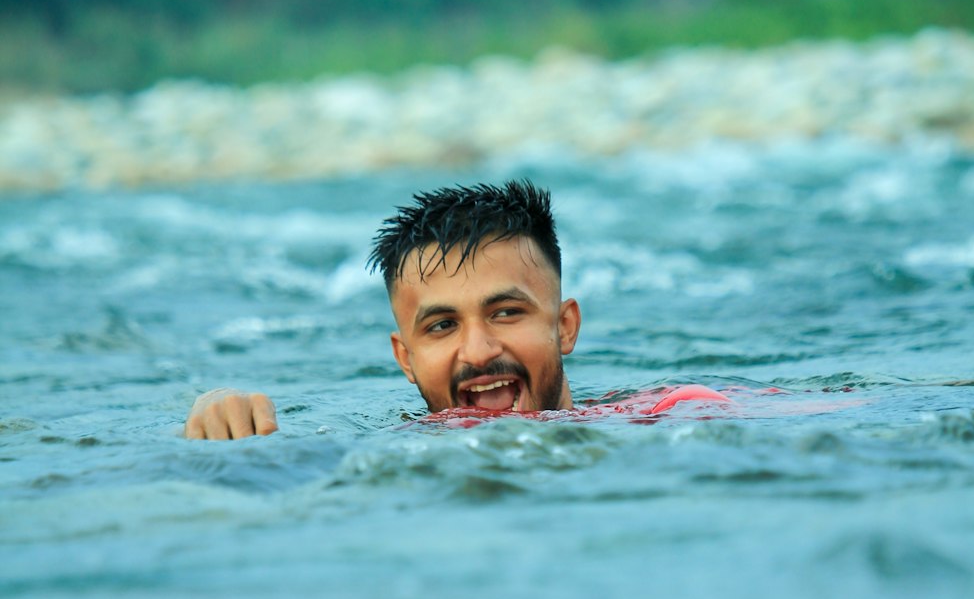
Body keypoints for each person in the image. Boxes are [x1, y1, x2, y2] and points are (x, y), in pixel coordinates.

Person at [183, 179, 727, 439]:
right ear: (406, 357)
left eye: (506, 312)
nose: (479, 351)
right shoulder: (380, 452)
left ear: (565, 326)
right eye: (442, 326)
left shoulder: (670, 418)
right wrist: (217, 410)